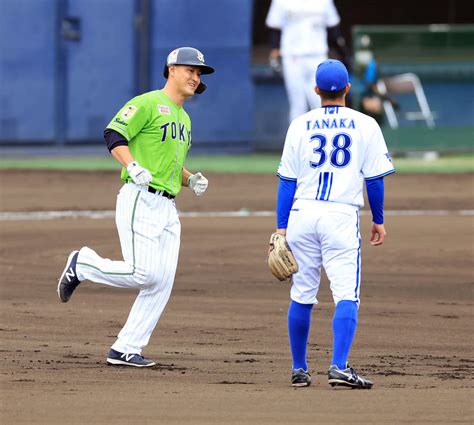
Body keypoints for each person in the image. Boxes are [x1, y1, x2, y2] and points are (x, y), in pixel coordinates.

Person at [57, 47, 214, 367]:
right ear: (171, 69)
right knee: (142, 272)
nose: (195, 77)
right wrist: (131, 165)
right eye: (190, 70)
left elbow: (169, 165)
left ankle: (126, 347)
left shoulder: (184, 119)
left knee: (162, 282)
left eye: (199, 74)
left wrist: (190, 179)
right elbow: (114, 133)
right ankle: (83, 263)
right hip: (139, 199)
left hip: (168, 209)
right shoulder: (147, 103)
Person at [273, 59, 395, 388]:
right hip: (340, 216)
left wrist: (281, 228)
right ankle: (339, 365)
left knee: (302, 294)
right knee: (346, 294)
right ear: (348, 89)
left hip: (302, 214)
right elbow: (375, 180)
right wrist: (378, 219)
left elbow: (287, 181)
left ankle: (299, 369)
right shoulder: (366, 124)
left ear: (316, 91)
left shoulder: (299, 124)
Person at [265, 0, 350, 123]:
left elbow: (333, 29)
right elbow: (275, 28)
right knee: (297, 105)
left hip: (318, 55)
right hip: (293, 56)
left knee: (321, 103)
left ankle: (326, 138)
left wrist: (343, 54)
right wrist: (274, 51)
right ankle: (297, 141)